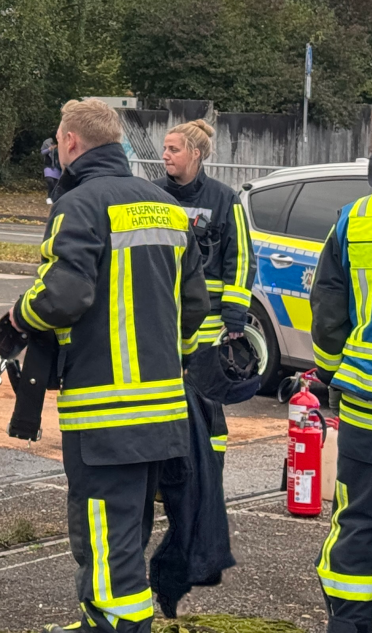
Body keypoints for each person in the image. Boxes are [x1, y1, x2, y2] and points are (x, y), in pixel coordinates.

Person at [15, 98, 208, 633]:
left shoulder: (77, 205)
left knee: (104, 543)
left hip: (106, 415)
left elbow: (61, 298)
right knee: (128, 532)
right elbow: (194, 307)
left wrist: (18, 313)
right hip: (162, 412)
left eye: (58, 141)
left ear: (72, 143)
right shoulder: (166, 206)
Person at [311, 95, 372, 633]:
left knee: (359, 521)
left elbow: (328, 307)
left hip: (368, 408)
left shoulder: (357, 218)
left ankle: (348, 624)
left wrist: (328, 371)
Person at [159, 120, 259, 425]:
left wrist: (235, 317)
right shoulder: (152, 195)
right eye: (165, 148)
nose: (165, 155)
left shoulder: (224, 199)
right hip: (162, 319)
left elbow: (241, 259)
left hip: (208, 325)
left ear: (196, 154)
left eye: (173, 149)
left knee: (205, 409)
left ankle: (208, 467)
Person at [43, 136, 64, 203]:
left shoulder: (62, 147)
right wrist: (49, 149)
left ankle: (53, 198)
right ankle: (49, 197)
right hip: (49, 166)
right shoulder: (48, 143)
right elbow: (42, 152)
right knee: (50, 180)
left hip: (57, 167)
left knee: (56, 184)